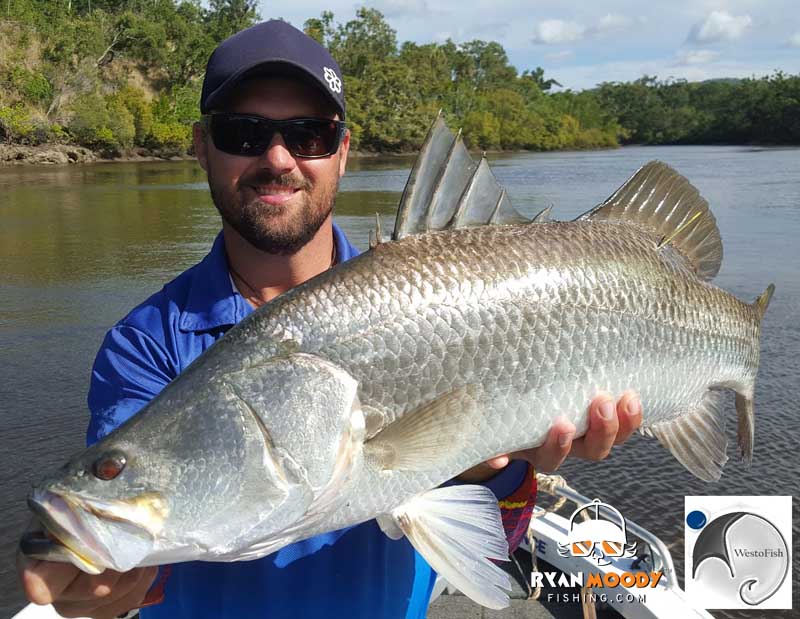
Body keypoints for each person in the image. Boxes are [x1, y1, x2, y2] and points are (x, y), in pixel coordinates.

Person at [17, 20, 643, 619]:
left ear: (342, 152)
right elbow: (138, 567)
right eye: (243, 132)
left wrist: (499, 471)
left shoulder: (443, 294)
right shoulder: (144, 343)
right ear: (201, 148)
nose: (279, 158)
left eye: (309, 135)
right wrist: (104, 590)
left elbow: (497, 539)